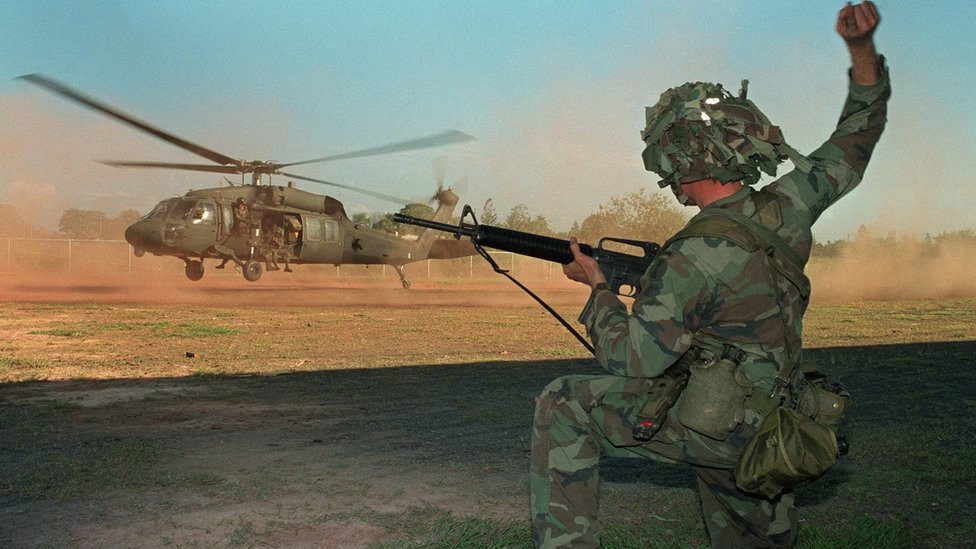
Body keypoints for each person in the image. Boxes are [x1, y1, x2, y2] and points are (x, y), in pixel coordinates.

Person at [530, 2, 888, 547]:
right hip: (779, 423)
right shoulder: (789, 207)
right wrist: (861, 48)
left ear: (679, 158)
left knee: (564, 402)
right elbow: (859, 132)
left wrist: (598, 288)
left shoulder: (692, 255)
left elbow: (635, 359)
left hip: (719, 427)